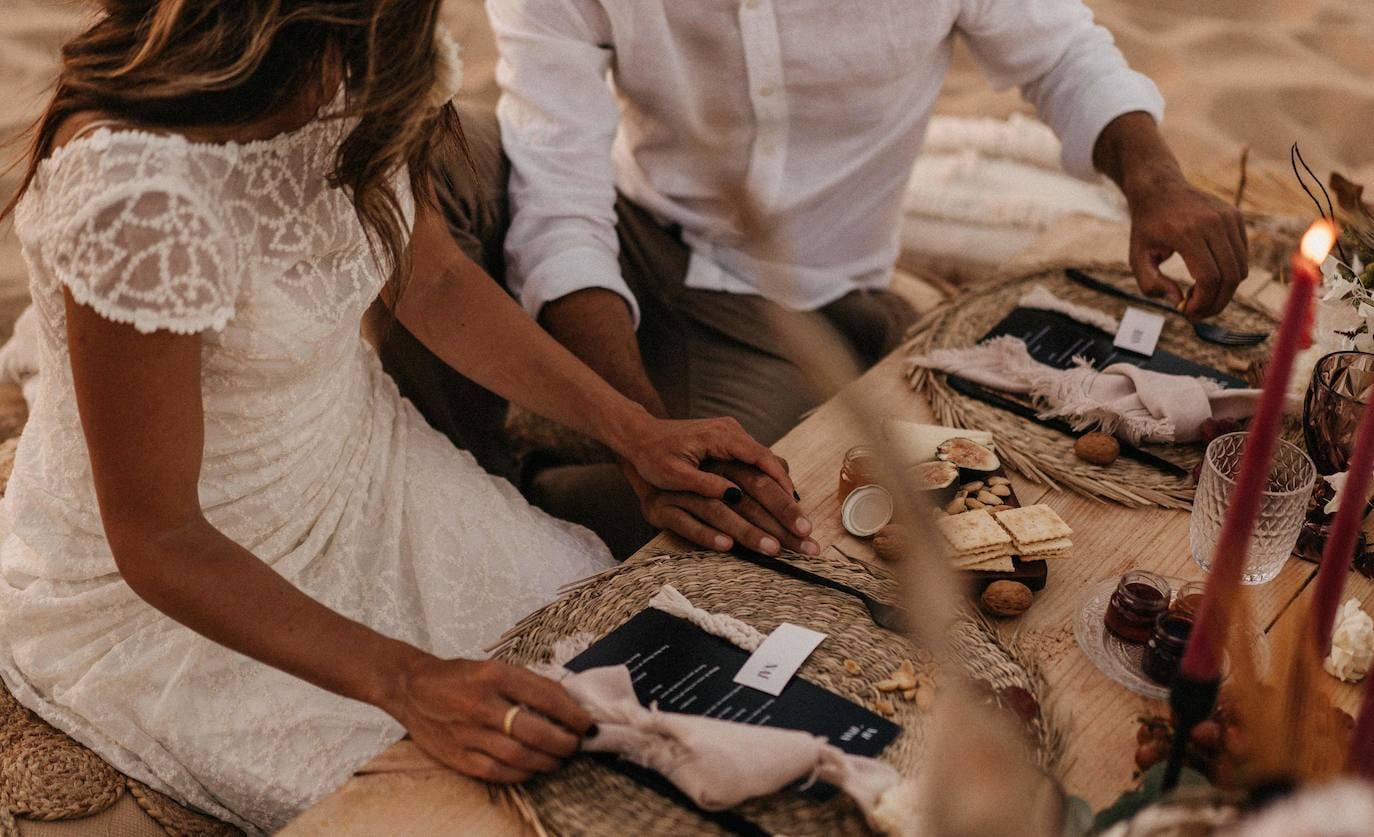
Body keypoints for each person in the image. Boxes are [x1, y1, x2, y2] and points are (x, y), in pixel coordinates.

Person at [0, 2, 804, 832]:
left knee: (615, 656)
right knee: (451, 801)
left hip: (362, 467)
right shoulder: (137, 194)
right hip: (194, 571)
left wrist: (632, 428)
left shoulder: (359, 55)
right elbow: (157, 536)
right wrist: (406, 679)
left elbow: (434, 278)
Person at [381, 0, 1249, 559]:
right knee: (432, 151)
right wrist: (638, 422)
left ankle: (534, 495)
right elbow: (558, 198)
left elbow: (1063, 56)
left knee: (747, 522)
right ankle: (459, 469)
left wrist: (1156, 181)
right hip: (629, 225)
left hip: (792, 304)